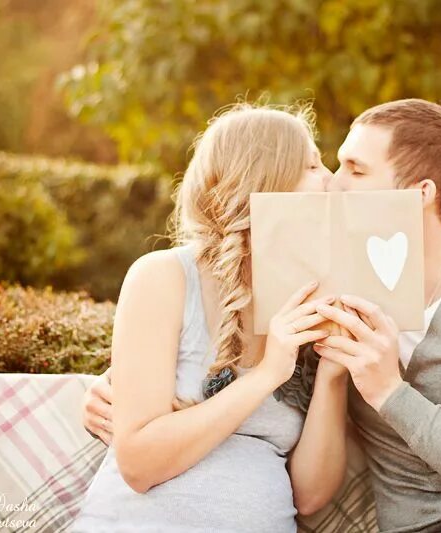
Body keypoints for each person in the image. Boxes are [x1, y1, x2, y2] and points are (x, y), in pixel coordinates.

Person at [83, 99, 441, 532]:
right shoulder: (317, 295)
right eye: (324, 166)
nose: (333, 183)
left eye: (354, 169)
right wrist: (116, 386)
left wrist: (381, 389)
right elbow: (157, 423)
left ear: (419, 193)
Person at [71, 102, 350, 533]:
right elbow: (139, 464)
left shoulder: (315, 299)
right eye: (313, 165)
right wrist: (265, 375)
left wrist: (333, 374)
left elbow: (310, 496)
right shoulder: (163, 276)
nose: (331, 180)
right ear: (266, 178)